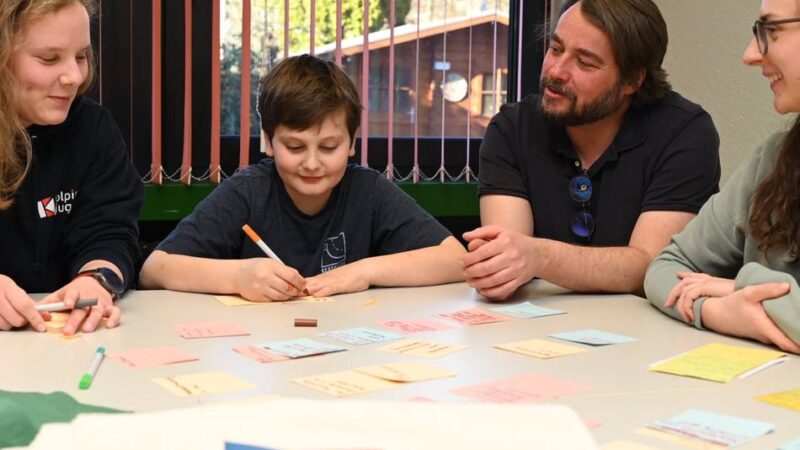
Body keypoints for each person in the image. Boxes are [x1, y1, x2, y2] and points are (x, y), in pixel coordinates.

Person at [139, 54, 465, 300]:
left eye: (328, 147)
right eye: (295, 146)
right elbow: (154, 269)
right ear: (268, 141)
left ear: (352, 143)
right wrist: (239, 277)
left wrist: (363, 272)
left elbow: (455, 259)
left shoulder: (368, 191)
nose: (312, 163)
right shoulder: (248, 191)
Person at [462, 0, 720, 300]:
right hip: (536, 325)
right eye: (556, 49)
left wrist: (539, 256)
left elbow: (650, 267)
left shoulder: (684, 133)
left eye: (584, 62)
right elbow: (506, 262)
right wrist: (500, 267)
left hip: (646, 330)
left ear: (632, 80)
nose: (556, 71)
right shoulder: (512, 129)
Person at [645, 0, 800, 353]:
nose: (749, 55)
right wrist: (717, 310)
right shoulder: (774, 160)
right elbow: (666, 268)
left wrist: (740, 285)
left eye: (771, 30)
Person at [0, 0, 144, 334]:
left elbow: (110, 232)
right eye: (49, 58)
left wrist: (96, 280)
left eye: (81, 56)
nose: (75, 77)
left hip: (59, 340)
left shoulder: (91, 128)